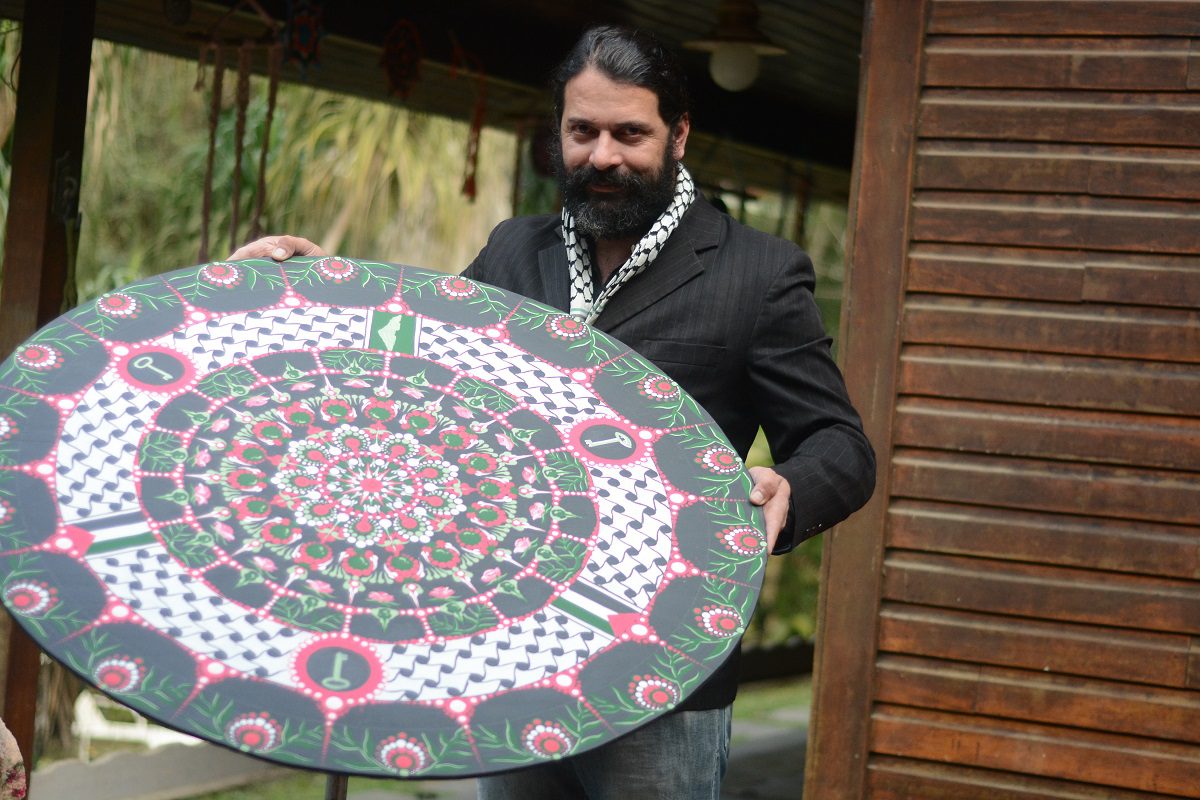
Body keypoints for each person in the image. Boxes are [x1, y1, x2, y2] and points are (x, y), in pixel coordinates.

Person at [232, 24, 874, 800]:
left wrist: (790, 487)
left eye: (629, 133)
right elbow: (413, 364)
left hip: (660, 666)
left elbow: (841, 443)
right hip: (512, 659)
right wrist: (303, 295)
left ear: (678, 136)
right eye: (583, 131)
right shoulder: (512, 252)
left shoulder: (759, 274)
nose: (602, 155)